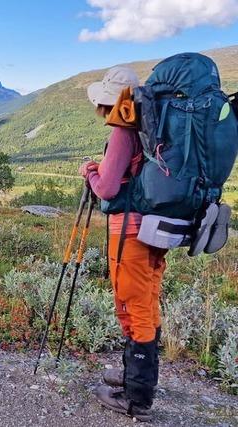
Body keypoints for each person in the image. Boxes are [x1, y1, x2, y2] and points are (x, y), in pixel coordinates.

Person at [80, 67, 167, 422]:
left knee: (132, 305)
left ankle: (137, 398)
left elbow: (108, 189)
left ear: (110, 100)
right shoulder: (151, 125)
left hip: (130, 232)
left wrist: (90, 171)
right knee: (147, 299)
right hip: (156, 231)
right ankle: (136, 377)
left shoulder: (123, 130)